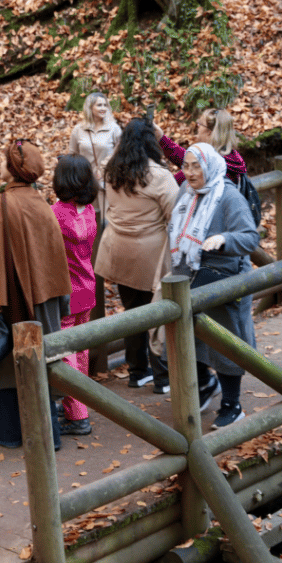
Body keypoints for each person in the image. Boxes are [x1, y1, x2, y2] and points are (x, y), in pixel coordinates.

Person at [0, 140, 71, 450]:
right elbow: (56, 259)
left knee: (6, 366)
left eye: (3, 161)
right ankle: (48, 434)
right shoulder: (43, 204)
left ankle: (9, 435)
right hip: (45, 302)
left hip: (9, 299)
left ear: (12, 169)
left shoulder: (1, 206)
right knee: (40, 364)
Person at [168, 143, 260, 428]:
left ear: (210, 166)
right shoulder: (186, 195)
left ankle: (233, 404)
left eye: (197, 166)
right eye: (187, 166)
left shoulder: (228, 196)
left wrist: (224, 240)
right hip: (193, 279)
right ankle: (206, 384)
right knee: (193, 338)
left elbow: (249, 238)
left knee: (226, 343)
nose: (191, 172)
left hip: (225, 280)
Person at [95, 119, 179, 392]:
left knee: (132, 312)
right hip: (151, 254)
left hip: (118, 249)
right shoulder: (158, 175)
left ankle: (136, 372)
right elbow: (175, 215)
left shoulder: (111, 169)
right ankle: (162, 377)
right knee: (157, 314)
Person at [51, 155, 98, 437]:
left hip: (67, 291)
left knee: (66, 352)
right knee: (81, 349)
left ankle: (78, 415)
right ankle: (77, 404)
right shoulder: (89, 210)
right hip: (87, 287)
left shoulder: (57, 213)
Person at [155, 108, 248, 186]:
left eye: (200, 124)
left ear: (209, 132)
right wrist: (161, 138)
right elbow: (185, 158)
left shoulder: (207, 167)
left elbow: (174, 185)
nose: (197, 127)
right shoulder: (231, 158)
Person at [69, 92, 122, 213]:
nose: (103, 108)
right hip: (84, 183)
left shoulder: (114, 129)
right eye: (99, 105)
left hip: (107, 183)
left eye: (105, 105)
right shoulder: (78, 130)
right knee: (86, 220)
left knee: (105, 221)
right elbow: (72, 156)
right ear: (90, 107)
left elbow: (121, 156)